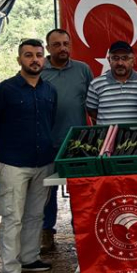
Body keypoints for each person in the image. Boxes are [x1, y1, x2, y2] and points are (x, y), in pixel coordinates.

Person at [0, 39, 58, 273]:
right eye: (28, 55)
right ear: (19, 59)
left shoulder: (49, 91)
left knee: (35, 214)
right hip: (14, 163)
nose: (34, 59)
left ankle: (29, 258)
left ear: (44, 59)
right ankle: (10, 270)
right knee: (12, 217)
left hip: (43, 162)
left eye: (38, 55)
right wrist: (8, 146)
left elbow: (50, 121)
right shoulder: (4, 90)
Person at [39, 28, 93, 254]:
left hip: (77, 143)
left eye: (65, 44)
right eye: (57, 44)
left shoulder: (83, 69)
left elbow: (92, 103)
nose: (62, 48)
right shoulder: (39, 70)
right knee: (46, 192)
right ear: (48, 47)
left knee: (80, 190)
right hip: (46, 141)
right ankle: (46, 232)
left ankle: (81, 231)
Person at [86, 41, 137, 125]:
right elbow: (91, 111)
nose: (120, 63)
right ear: (109, 60)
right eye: (115, 58)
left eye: (125, 58)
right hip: (107, 133)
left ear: (133, 60)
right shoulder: (96, 84)